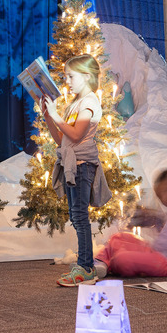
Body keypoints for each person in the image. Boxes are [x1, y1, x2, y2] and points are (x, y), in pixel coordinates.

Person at [42, 54, 111, 286]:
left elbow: (76, 134)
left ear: (87, 76)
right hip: (73, 164)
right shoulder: (75, 104)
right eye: (65, 76)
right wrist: (48, 118)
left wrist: (56, 116)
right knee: (76, 215)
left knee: (80, 215)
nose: (67, 81)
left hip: (83, 165)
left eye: (71, 76)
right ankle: (85, 264)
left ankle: (86, 268)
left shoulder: (90, 102)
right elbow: (62, 139)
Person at [94, 169, 167, 278]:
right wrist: (151, 218)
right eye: (160, 195)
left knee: (122, 258)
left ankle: (107, 264)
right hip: (156, 251)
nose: (165, 198)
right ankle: (101, 262)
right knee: (118, 237)